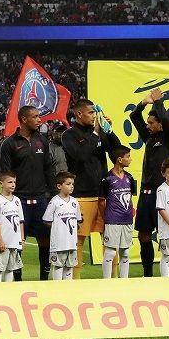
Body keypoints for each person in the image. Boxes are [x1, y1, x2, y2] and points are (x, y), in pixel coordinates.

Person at [62, 99, 121, 279]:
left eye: (94, 112)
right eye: (90, 113)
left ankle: (114, 278)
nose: (94, 116)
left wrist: (109, 131)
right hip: (82, 195)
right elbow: (81, 155)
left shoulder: (99, 131)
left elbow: (117, 151)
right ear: (79, 114)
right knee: (79, 239)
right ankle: (76, 280)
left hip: (104, 194)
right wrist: (96, 133)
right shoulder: (69, 135)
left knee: (110, 238)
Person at [0, 106, 55, 281]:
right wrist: (9, 198)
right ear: (24, 119)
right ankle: (18, 280)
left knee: (45, 240)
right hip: (19, 200)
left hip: (41, 199)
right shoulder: (9, 144)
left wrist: (54, 194)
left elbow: (48, 168)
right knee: (17, 242)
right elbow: (5, 173)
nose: (39, 120)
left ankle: (44, 279)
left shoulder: (42, 140)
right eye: (35, 116)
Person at [129, 88, 169, 276]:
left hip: (164, 195)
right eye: (148, 123)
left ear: (161, 125)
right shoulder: (149, 138)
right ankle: (147, 274)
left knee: (167, 237)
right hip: (146, 195)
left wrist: (158, 102)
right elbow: (134, 117)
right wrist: (144, 103)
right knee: (143, 236)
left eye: (151, 123)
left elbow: (165, 119)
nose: (148, 126)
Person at [99, 146, 136, 279]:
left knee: (125, 252)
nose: (130, 159)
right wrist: (106, 219)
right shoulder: (107, 179)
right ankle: (107, 282)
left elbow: (130, 198)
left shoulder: (130, 178)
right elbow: (101, 202)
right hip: (112, 221)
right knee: (110, 252)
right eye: (128, 157)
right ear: (119, 159)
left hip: (127, 220)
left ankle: (124, 282)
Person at [43, 172, 82, 281]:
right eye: (68, 184)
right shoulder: (54, 202)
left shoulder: (74, 202)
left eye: (72, 184)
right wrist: (59, 229)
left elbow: (77, 220)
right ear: (59, 186)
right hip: (59, 244)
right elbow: (47, 220)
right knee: (58, 265)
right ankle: (57, 288)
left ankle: (67, 289)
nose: (71, 186)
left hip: (71, 243)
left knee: (69, 266)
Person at [0, 170, 25, 283]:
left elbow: (20, 221)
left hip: (14, 241)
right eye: (10, 182)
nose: (13, 184)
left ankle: (8, 289)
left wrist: (22, 239)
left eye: (14, 182)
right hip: (3, 242)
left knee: (11, 268)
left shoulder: (17, 201)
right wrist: (0, 240)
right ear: (1, 183)